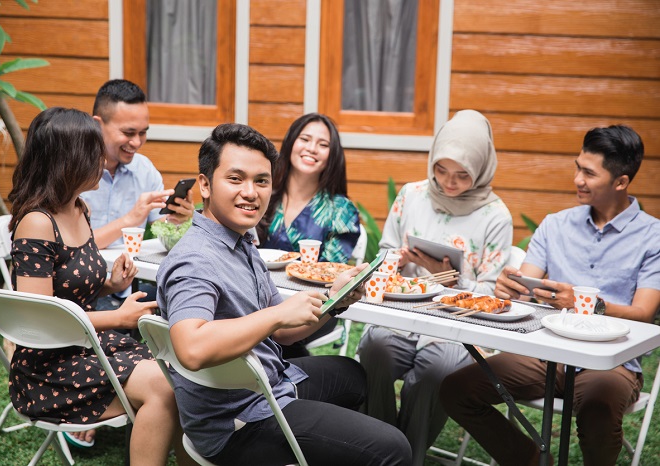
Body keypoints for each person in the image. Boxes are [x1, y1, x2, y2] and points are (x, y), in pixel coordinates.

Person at [156, 123, 412, 466]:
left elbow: (282, 331)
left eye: (261, 181)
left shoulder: (240, 242)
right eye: (236, 179)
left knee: (352, 375)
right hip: (238, 421)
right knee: (394, 448)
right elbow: (191, 347)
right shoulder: (196, 260)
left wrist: (334, 301)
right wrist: (276, 314)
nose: (251, 192)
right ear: (204, 184)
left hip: (266, 384)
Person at [440, 125, 660, 466]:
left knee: (599, 411)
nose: (577, 179)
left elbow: (644, 313)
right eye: (577, 168)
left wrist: (589, 304)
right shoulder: (555, 225)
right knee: (455, 390)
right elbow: (523, 287)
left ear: (621, 182)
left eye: (589, 173)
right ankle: (529, 459)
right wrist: (507, 288)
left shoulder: (652, 236)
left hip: (609, 362)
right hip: (542, 352)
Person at [7, 107, 182, 465]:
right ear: (70, 159)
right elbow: (41, 318)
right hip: (49, 368)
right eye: (94, 151)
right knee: (165, 387)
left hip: (88, 346)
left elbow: (67, 290)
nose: (103, 160)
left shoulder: (78, 208)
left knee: (178, 367)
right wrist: (118, 318)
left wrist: (109, 284)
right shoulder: (37, 223)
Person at [356, 109, 513, 465]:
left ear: (482, 168)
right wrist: (399, 257)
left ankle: (406, 457)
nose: (448, 183)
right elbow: (384, 255)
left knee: (437, 370)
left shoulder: (495, 216)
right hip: (402, 313)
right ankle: (380, 448)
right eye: (440, 170)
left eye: (461, 174)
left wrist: (451, 278)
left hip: (457, 327)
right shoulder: (412, 196)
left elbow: (491, 293)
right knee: (376, 347)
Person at [80, 79, 194, 309]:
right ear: (98, 124)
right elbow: (73, 247)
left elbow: (165, 229)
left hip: (132, 287)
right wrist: (130, 220)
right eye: (128, 132)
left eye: (143, 132)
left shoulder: (144, 170)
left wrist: (181, 220)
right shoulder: (75, 170)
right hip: (84, 289)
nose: (137, 142)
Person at [256, 113, 361, 357]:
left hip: (315, 303)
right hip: (258, 297)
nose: (312, 149)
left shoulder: (340, 210)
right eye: (305, 139)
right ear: (291, 142)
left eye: (323, 144)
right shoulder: (264, 193)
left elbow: (334, 272)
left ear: (331, 156)